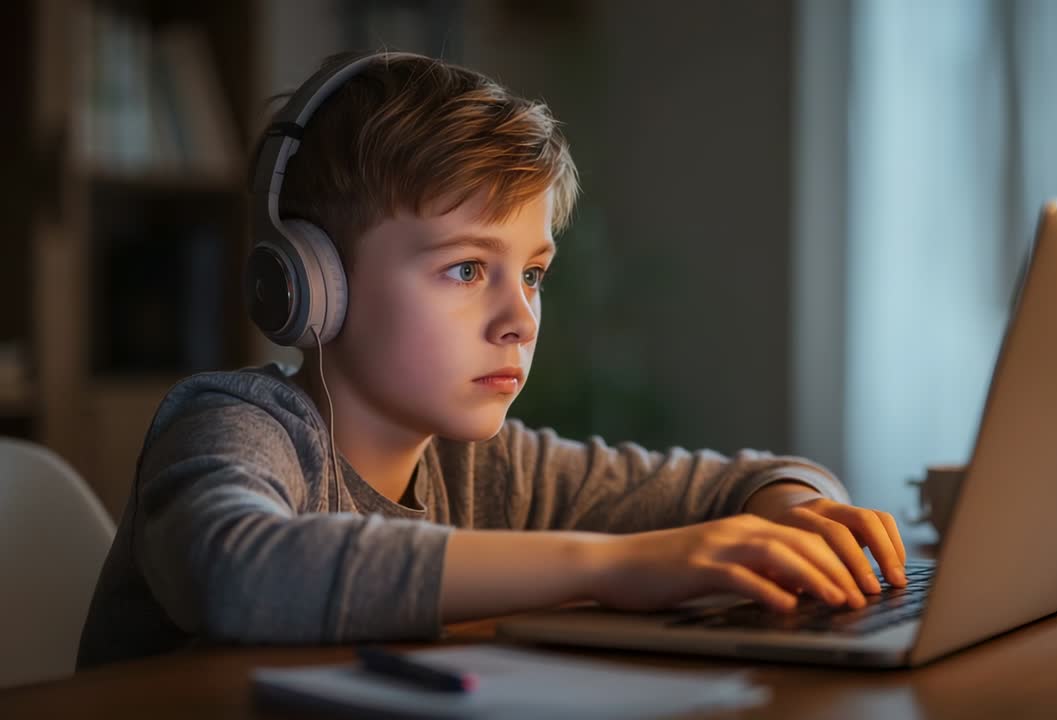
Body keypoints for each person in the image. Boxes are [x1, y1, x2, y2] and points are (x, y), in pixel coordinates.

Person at [77, 52, 908, 670]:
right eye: (467, 269)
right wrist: (615, 565)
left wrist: (801, 514)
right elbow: (237, 571)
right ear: (310, 284)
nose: (520, 319)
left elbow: (746, 483)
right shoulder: (230, 424)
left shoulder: (484, 469)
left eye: (535, 273)